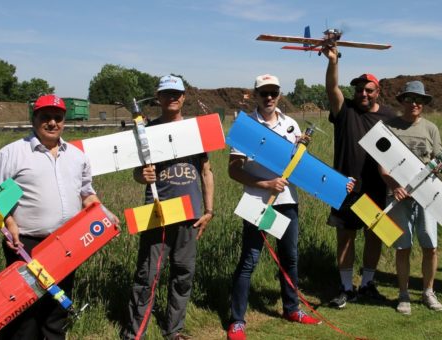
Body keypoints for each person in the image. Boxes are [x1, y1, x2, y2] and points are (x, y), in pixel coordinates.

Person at [0, 94, 112, 339]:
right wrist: (9, 223)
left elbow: (87, 193)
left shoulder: (76, 156)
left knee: (56, 308)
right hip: (26, 244)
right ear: (34, 119)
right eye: (46, 117)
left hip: (67, 244)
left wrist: (103, 214)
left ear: (64, 121)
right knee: (26, 312)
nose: (52, 123)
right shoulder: (12, 154)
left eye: (58, 118)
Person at [226, 74, 323, 340]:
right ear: (255, 95)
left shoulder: (290, 124)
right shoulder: (245, 126)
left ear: (279, 94)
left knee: (289, 258)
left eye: (273, 92)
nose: (269, 98)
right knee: (250, 260)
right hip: (258, 202)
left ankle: (291, 309)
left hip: (287, 201)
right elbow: (234, 171)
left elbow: (296, 166)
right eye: (263, 93)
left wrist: (302, 150)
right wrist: (265, 183)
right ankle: (237, 321)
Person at [121, 75, 215, 340]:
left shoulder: (195, 131)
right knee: (147, 274)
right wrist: (143, 176)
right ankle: (135, 332)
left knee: (183, 273)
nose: (172, 98)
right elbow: (137, 173)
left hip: (190, 212)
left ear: (183, 97)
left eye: (177, 93)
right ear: (158, 98)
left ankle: (174, 330)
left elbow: (206, 172)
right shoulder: (147, 131)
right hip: (156, 211)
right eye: (167, 94)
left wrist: (209, 211)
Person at [321, 44, 397, 308]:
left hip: (376, 187)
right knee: (345, 236)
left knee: (374, 235)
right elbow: (332, 89)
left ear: (378, 92)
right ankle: (345, 287)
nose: (362, 93)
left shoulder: (389, 117)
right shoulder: (346, 111)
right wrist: (333, 61)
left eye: (368, 90)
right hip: (344, 187)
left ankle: (367, 283)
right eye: (359, 89)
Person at [381, 81, 442, 315]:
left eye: (419, 100)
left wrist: (439, 167)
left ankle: (428, 292)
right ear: (402, 101)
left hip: (427, 197)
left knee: (430, 245)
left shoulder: (431, 129)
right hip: (397, 197)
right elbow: (382, 164)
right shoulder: (390, 127)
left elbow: (439, 159)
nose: (415, 103)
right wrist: (395, 186)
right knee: (403, 247)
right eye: (410, 99)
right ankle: (404, 295)